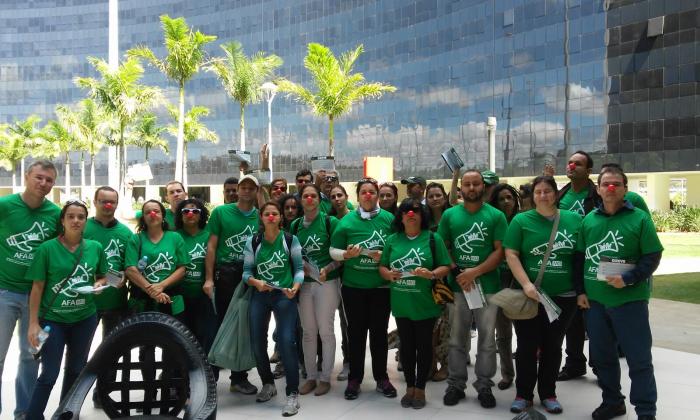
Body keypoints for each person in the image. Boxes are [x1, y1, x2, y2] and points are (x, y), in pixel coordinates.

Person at [575, 166, 662, 420]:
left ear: (625, 188)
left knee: (639, 360)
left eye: (616, 184)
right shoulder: (589, 220)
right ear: (599, 189)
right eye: (606, 184)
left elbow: (652, 255)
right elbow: (580, 258)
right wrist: (581, 291)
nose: (610, 188)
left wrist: (628, 279)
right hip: (595, 303)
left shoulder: (640, 219)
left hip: (630, 301)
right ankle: (613, 401)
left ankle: (646, 411)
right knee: (603, 358)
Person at [503, 176, 582, 414]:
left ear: (556, 194)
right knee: (527, 346)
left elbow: (580, 257)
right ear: (532, 195)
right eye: (538, 192)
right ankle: (523, 394)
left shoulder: (574, 219)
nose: (543, 196)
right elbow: (512, 254)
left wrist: (581, 291)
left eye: (548, 191)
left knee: (553, 345)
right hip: (529, 295)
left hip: (563, 297)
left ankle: (548, 393)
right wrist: (526, 284)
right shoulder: (521, 220)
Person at [25, 199, 108, 420]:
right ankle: (33, 416)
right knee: (49, 374)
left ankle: (65, 414)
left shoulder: (94, 247)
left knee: (75, 370)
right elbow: (37, 287)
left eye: (81, 216)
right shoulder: (47, 249)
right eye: (70, 216)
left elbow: (104, 275)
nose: (76, 220)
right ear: (62, 220)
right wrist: (33, 323)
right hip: (53, 319)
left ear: (85, 221)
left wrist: (99, 284)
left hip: (85, 318)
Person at [439, 169, 507, 409]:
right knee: (457, 339)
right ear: (461, 188)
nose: (471, 188)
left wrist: (474, 272)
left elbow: (500, 251)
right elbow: (443, 246)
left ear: (483, 186)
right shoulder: (449, 215)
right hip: (458, 287)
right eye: (466, 184)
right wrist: (459, 272)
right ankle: (456, 384)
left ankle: (485, 385)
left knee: (488, 341)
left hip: (487, 287)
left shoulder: (496, 216)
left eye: (475, 184)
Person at [0, 160, 60, 419]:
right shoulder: (5, 206)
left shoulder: (55, 214)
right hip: (4, 293)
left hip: (37, 297)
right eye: (39, 177)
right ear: (27, 176)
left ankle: (24, 412)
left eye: (48, 180)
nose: (43, 183)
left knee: (30, 356)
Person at [379, 198, 451, 409]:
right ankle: (410, 386)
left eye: (416, 211)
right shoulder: (392, 240)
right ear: (400, 217)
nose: (411, 214)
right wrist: (389, 275)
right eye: (406, 211)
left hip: (426, 303)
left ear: (423, 215)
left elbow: (445, 267)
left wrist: (431, 274)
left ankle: (421, 388)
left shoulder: (432, 238)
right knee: (407, 347)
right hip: (401, 303)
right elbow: (382, 267)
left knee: (424, 346)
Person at [330, 177, 397, 400]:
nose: (368, 195)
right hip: (353, 288)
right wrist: (346, 255)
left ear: (377, 195)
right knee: (356, 334)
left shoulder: (390, 220)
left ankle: (381, 378)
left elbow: (399, 248)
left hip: (381, 287)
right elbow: (333, 251)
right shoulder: (347, 221)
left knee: (379, 334)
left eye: (372, 192)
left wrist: (385, 256)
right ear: (357, 196)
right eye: (364, 192)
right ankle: (355, 379)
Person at [243, 201, 304, 416]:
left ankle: (292, 393)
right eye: (267, 214)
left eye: (274, 214)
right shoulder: (254, 240)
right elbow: (246, 272)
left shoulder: (290, 239)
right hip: (260, 295)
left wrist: (295, 287)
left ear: (280, 217)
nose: (271, 217)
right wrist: (256, 282)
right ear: (261, 217)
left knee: (287, 340)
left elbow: (298, 269)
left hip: (284, 295)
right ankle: (268, 384)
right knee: (257, 340)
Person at [204, 174, 260, 395]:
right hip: (225, 274)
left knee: (244, 327)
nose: (246, 191)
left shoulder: (261, 216)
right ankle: (211, 379)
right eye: (243, 187)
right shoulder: (221, 212)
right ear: (237, 189)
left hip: (249, 275)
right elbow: (211, 247)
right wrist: (209, 279)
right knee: (219, 326)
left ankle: (239, 378)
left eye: (251, 188)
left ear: (256, 191)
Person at [83, 186, 133, 409]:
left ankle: (102, 394)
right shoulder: (82, 228)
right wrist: (101, 278)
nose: (108, 205)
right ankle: (73, 397)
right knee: (80, 354)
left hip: (116, 303)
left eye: (112, 201)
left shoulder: (125, 233)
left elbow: (129, 270)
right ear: (95, 202)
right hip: (84, 304)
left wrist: (107, 280)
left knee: (111, 352)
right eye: (103, 201)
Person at [291, 184, 342, 397]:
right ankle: (311, 377)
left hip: (327, 283)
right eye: (305, 196)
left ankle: (325, 378)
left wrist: (327, 269)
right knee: (308, 333)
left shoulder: (331, 222)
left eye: (313, 196)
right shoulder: (294, 226)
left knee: (325, 331)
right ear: (301, 200)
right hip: (304, 285)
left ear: (319, 200)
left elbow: (341, 256)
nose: (309, 199)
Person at [557, 150, 600, 381]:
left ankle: (600, 366)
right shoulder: (561, 195)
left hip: (591, 260)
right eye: (570, 162)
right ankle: (574, 364)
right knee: (571, 318)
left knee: (595, 318)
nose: (572, 166)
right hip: (566, 261)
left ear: (589, 170)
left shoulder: (597, 196)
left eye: (578, 164)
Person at [125, 200, 190, 317]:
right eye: (148, 212)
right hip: (142, 301)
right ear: (143, 217)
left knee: (172, 334)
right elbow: (130, 270)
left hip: (172, 299)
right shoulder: (136, 239)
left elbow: (182, 268)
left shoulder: (175, 237)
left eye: (156, 211)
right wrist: (152, 291)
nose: (152, 214)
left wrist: (161, 286)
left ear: (163, 215)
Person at [487, 183, 521, 391]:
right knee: (503, 332)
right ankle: (508, 374)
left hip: (521, 280)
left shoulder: (525, 220)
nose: (507, 202)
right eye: (502, 199)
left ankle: (529, 372)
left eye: (510, 197)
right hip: (498, 278)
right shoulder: (492, 222)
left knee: (526, 331)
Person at [175, 198, 216, 355]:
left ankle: (206, 375)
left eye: (195, 211)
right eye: (186, 211)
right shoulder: (173, 236)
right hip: (180, 296)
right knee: (181, 337)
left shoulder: (209, 236)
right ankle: (180, 375)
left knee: (205, 336)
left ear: (202, 214)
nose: (190, 214)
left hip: (204, 296)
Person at [424, 182, 451, 382]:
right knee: (431, 326)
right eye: (431, 196)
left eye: (438, 195)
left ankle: (447, 365)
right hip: (428, 279)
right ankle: (430, 362)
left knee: (448, 327)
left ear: (444, 197)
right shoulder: (423, 221)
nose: (435, 199)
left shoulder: (452, 218)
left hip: (450, 278)